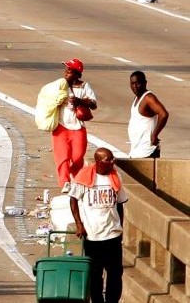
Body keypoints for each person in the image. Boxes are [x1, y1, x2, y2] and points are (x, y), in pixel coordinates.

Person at [68, 147, 127, 303]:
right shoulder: (85, 177)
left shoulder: (116, 176)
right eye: (108, 159)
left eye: (112, 158)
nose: (112, 162)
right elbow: (73, 200)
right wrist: (79, 224)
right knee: (95, 274)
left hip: (112, 235)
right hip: (93, 236)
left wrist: (120, 227)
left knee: (115, 273)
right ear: (98, 161)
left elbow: (120, 203)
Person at [54, 58, 97, 190]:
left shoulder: (84, 86)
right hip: (60, 127)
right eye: (66, 69)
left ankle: (77, 179)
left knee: (77, 157)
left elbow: (93, 104)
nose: (66, 72)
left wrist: (80, 101)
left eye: (70, 70)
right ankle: (65, 182)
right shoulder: (60, 85)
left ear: (77, 74)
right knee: (62, 157)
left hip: (77, 127)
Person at [128, 71, 169, 158]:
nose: (135, 86)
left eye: (138, 83)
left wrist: (155, 134)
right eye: (132, 83)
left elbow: (164, 114)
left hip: (147, 151)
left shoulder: (148, 98)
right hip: (137, 150)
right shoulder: (136, 98)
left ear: (145, 83)